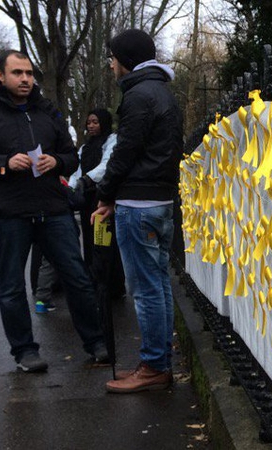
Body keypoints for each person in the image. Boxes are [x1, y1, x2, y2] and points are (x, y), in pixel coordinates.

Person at [0, 49, 108, 372]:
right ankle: (25, 352)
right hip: (10, 213)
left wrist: (57, 161)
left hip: (53, 208)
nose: (25, 79)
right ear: (0, 75)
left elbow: (71, 155)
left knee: (77, 277)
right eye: (17, 73)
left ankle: (96, 344)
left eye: (29, 73)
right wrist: (3, 164)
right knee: (11, 286)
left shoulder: (47, 110)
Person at [93, 30, 183, 393]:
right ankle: (158, 361)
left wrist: (105, 196)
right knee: (158, 285)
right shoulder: (162, 92)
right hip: (159, 201)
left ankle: (154, 367)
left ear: (124, 58)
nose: (112, 64)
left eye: (113, 58)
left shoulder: (137, 95)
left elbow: (124, 153)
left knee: (146, 290)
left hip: (138, 206)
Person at [69, 108, 125, 303]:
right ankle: (95, 284)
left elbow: (106, 166)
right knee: (91, 243)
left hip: (103, 199)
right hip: (87, 202)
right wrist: (71, 188)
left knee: (105, 242)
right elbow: (76, 171)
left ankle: (110, 287)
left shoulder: (112, 141)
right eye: (89, 122)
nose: (91, 126)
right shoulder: (85, 147)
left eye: (95, 122)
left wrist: (87, 179)